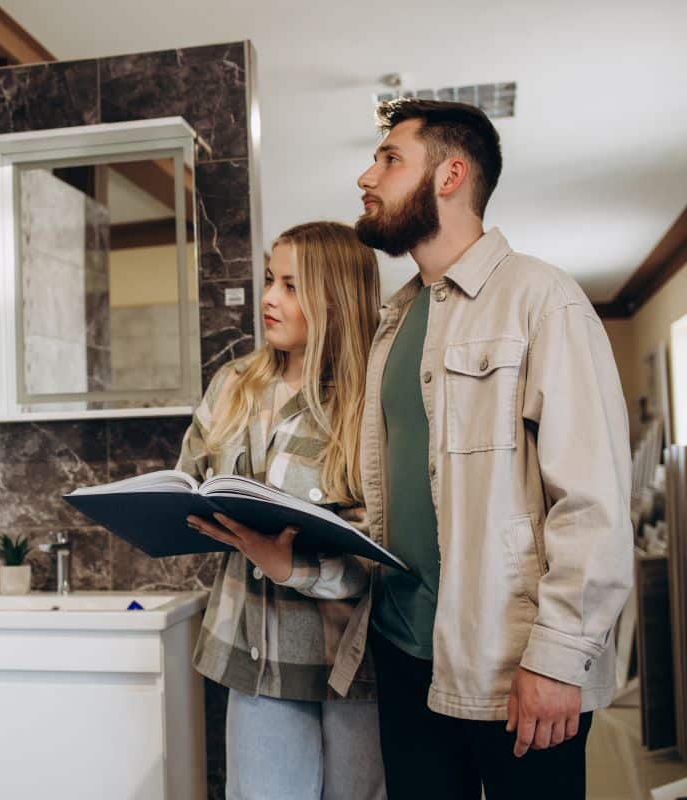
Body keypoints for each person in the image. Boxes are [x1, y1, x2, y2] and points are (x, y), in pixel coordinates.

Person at [333, 98, 633, 799]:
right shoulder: (395, 320)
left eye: (390, 159)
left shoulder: (542, 298)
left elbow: (593, 501)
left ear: (450, 175)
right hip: (405, 652)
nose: (366, 177)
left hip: (513, 664)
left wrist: (558, 658)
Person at [181, 221, 386, 800]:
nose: (269, 297)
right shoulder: (232, 384)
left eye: (291, 286)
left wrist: (292, 567)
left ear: (336, 299)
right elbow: (190, 476)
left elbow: (389, 550)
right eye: (270, 279)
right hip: (251, 658)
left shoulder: (371, 401)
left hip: (352, 666)